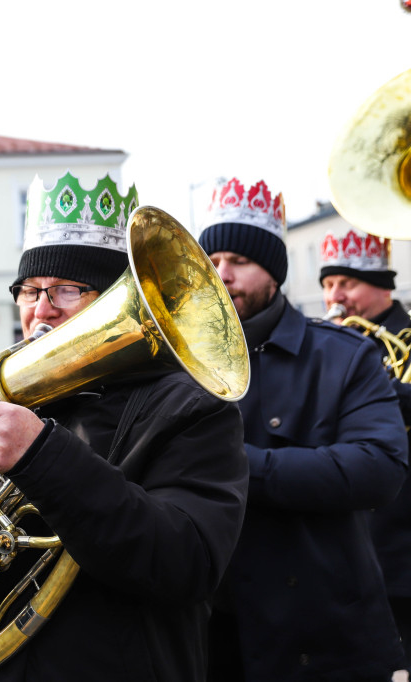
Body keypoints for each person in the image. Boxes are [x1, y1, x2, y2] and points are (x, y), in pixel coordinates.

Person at [0, 171, 250, 680]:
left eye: (67, 289)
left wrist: (41, 455)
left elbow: (187, 562)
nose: (40, 309)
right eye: (29, 290)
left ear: (111, 300)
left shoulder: (192, 408)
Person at [198, 178, 408, 681]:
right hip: (212, 633)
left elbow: (378, 468)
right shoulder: (175, 363)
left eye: (239, 262)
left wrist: (237, 467)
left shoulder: (345, 354)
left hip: (325, 635)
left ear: (274, 272)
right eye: (211, 262)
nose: (221, 275)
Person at [320, 227, 411, 668]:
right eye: (327, 285)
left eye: (346, 283)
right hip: (351, 540)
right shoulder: (329, 343)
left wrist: (371, 387)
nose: (335, 296)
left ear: (382, 286)